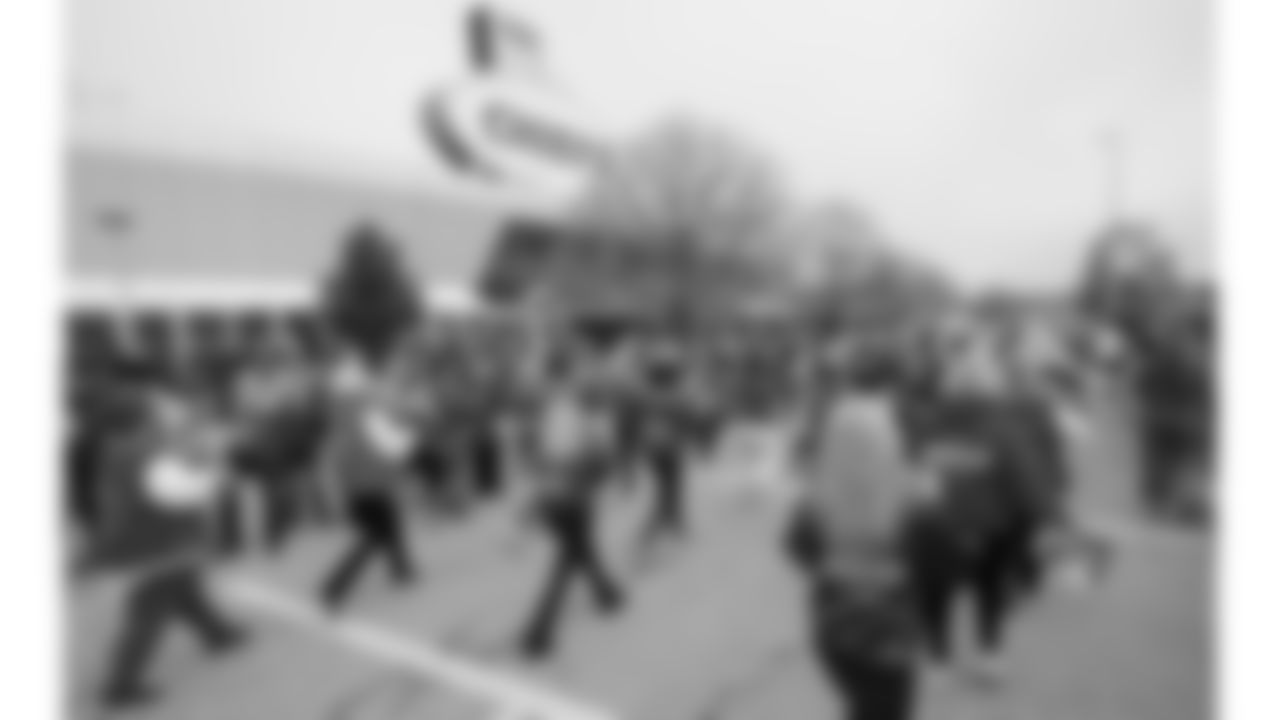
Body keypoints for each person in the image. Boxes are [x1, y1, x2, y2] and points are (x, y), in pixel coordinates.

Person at [84, 386, 249, 710]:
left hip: (152, 540)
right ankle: (121, 684)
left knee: (185, 590)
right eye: (153, 412)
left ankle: (218, 633)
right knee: (149, 611)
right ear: (139, 419)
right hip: (157, 545)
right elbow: (180, 492)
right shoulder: (144, 453)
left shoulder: (120, 446)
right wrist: (215, 475)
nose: (160, 416)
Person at [786, 363, 934, 720]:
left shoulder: (816, 496)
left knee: (862, 702)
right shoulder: (912, 495)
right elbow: (937, 561)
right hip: (886, 612)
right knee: (887, 707)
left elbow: (796, 548)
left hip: (832, 607)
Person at [517, 359, 626, 659]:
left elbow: (533, 451)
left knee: (581, 549)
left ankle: (607, 594)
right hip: (571, 496)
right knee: (567, 560)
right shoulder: (589, 417)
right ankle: (537, 632)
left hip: (551, 494)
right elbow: (599, 460)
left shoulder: (555, 408)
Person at [318, 377, 422, 610]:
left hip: (361, 493)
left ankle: (401, 569)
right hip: (371, 491)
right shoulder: (366, 426)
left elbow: (334, 468)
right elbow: (396, 450)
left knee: (390, 528)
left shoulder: (342, 431)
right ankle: (333, 587)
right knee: (373, 539)